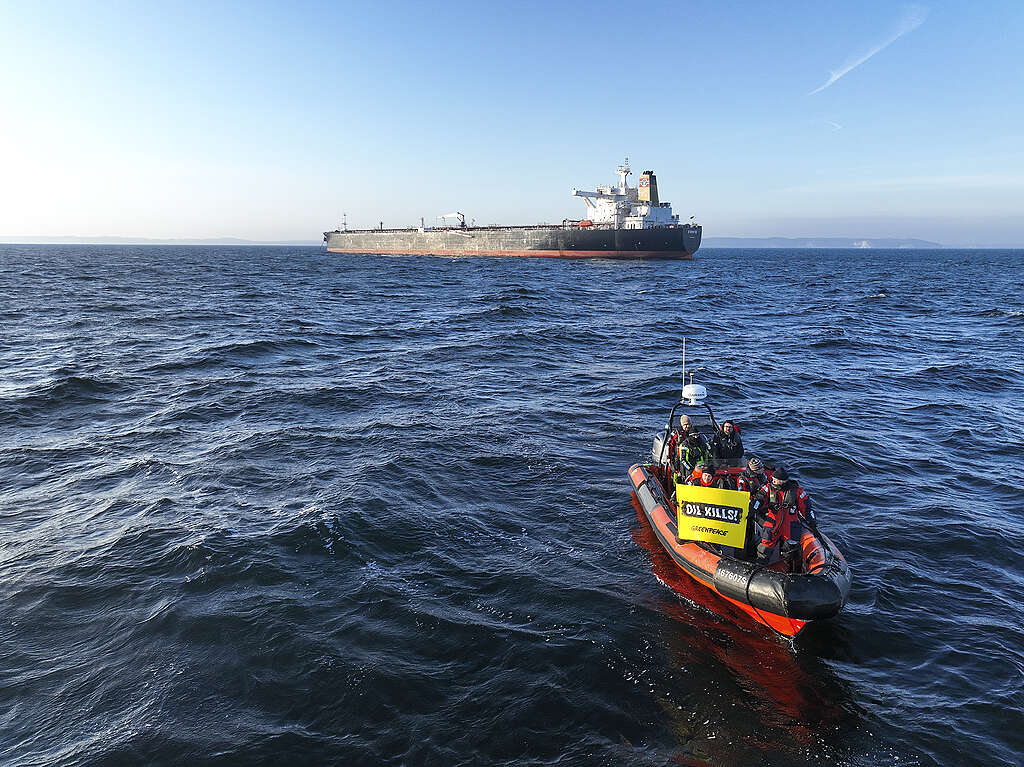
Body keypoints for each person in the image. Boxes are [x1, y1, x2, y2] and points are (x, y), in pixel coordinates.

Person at [755, 467, 814, 571]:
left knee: (792, 550)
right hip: (773, 522)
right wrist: (752, 508)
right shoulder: (768, 488)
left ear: (782, 481)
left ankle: (795, 571)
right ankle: (759, 569)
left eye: (775, 479)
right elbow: (759, 499)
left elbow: (806, 508)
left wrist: (811, 521)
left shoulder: (797, 491)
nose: (772, 479)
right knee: (765, 547)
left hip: (790, 525)